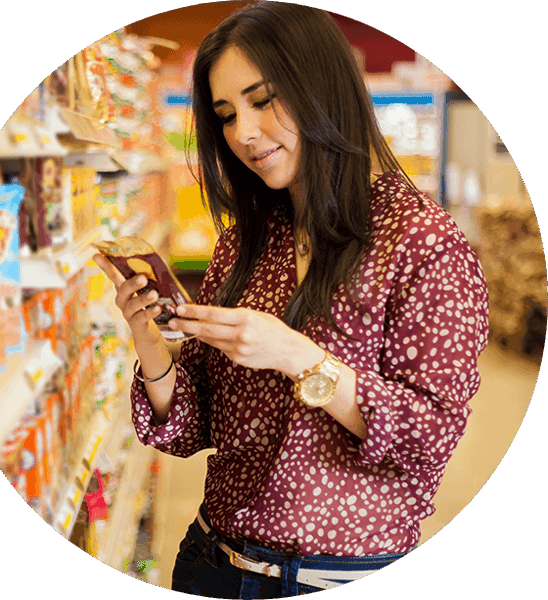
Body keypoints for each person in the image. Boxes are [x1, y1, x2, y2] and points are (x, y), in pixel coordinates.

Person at [93, 2, 490, 598]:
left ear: (320, 86)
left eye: (263, 99)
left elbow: (428, 437)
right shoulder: (247, 242)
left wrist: (300, 358)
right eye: (225, 114)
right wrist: (151, 343)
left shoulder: (421, 243)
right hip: (212, 561)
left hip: (335, 575)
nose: (243, 133)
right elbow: (188, 429)